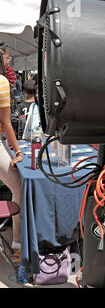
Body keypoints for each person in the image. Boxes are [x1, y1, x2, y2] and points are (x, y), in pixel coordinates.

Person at [0, 44, 23, 263]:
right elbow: (6, 123)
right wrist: (17, 151)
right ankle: (17, 244)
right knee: (20, 188)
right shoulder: (2, 82)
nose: (9, 61)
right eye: (7, 58)